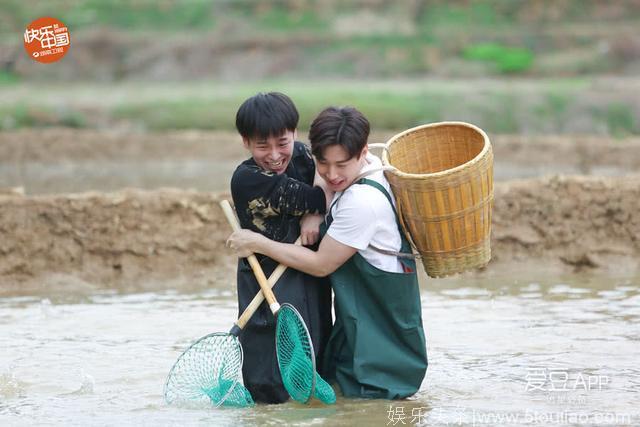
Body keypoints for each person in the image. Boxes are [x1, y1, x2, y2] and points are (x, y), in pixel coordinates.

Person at [227, 106, 428, 399]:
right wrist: (315, 212)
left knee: (375, 404)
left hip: (381, 331)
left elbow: (321, 265)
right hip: (361, 319)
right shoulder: (363, 166)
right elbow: (326, 184)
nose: (332, 175)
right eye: (323, 163)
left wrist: (257, 243)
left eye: (341, 165)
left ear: (361, 153)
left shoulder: (361, 202)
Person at [230, 92, 332, 403]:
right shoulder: (247, 179)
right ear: (246, 142)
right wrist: (313, 211)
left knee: (316, 349)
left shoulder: (302, 155)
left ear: (295, 134)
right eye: (262, 146)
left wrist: (313, 217)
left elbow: (332, 174)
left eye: (282, 143)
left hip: (306, 273)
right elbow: (318, 198)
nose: (274, 155)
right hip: (267, 280)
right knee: (271, 375)